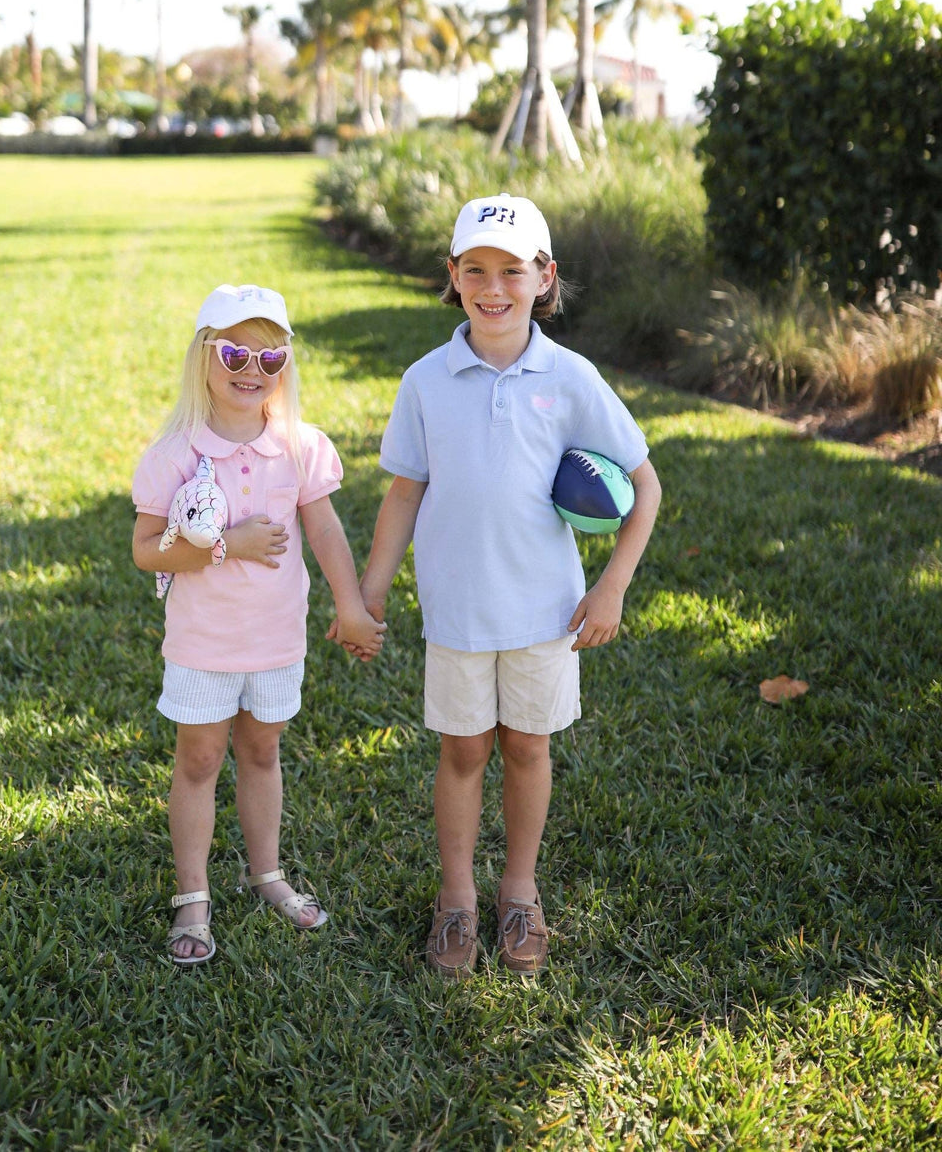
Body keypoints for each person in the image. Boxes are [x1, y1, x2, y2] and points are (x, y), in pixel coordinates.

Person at [360, 195, 661, 976]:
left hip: (546, 610)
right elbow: (404, 490)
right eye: (476, 270)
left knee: (527, 748)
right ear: (453, 277)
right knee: (462, 752)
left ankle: (518, 892)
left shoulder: (569, 376)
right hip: (457, 610)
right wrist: (373, 586)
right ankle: (456, 900)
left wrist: (613, 587)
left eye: (512, 271)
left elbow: (645, 485)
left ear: (544, 277)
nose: (493, 287)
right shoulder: (427, 380)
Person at [132, 283, 385, 966]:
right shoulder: (177, 453)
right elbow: (144, 548)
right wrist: (223, 546)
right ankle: (193, 894)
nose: (253, 370)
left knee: (263, 752)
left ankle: (265, 872)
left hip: (276, 639)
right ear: (204, 357)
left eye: (270, 358)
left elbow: (326, 530)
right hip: (203, 643)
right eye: (236, 352)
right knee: (200, 758)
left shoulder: (300, 447)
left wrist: (350, 603)